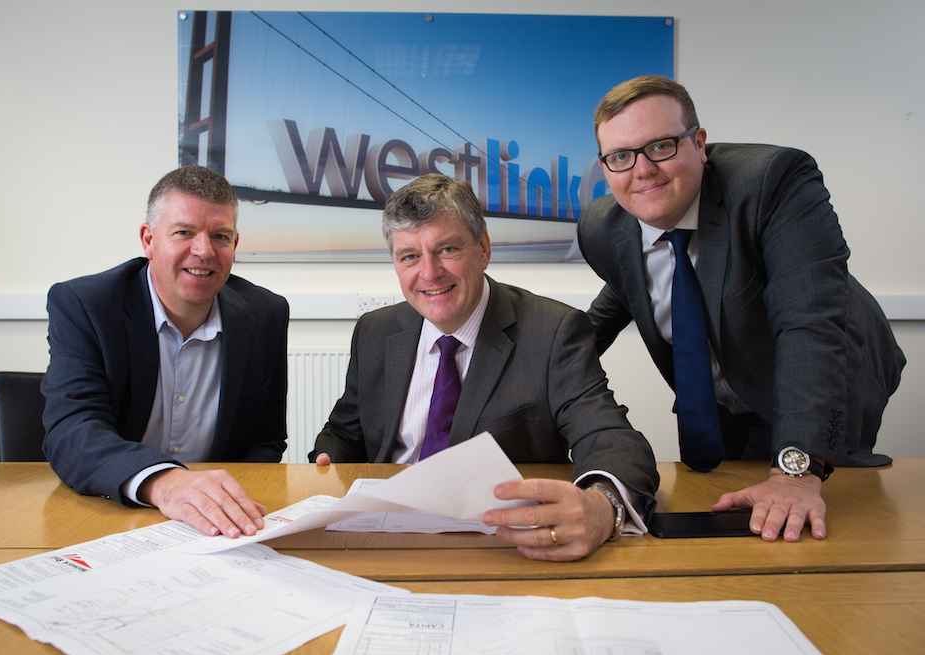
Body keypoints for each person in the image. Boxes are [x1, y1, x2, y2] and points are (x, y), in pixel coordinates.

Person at [578, 75, 905, 543]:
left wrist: (795, 473)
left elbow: (807, 323)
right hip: (721, 391)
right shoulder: (602, 226)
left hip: (826, 371)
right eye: (621, 156)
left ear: (700, 143)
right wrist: (536, 366)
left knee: (809, 515)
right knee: (715, 499)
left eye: (662, 146)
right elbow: (625, 293)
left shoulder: (773, 182)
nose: (642, 170)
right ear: (606, 166)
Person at [310, 173, 659, 562]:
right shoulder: (375, 331)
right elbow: (343, 433)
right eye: (409, 256)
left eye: (447, 249)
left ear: (483, 248)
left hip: (500, 544)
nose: (428, 273)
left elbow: (611, 437)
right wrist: (328, 463)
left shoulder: (553, 332)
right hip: (384, 537)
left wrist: (601, 505)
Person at [42, 165, 290, 539]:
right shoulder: (86, 305)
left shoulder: (266, 314)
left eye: (220, 236)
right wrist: (165, 483)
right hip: (111, 514)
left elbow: (265, 439)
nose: (204, 250)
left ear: (234, 245)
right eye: (184, 233)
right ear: (148, 240)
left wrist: (224, 503)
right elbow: (72, 430)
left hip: (217, 528)